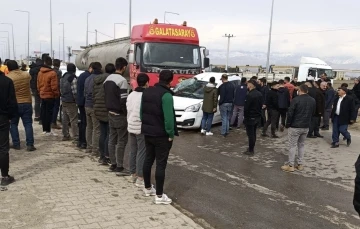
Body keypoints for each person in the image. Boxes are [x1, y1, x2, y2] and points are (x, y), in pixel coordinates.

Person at [141, 69, 178, 205]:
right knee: (161, 164)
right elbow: (169, 119)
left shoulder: (147, 91)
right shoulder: (167, 95)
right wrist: (170, 133)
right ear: (171, 80)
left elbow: (141, 112)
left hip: (148, 132)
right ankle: (159, 195)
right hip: (161, 135)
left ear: (158, 78)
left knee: (148, 159)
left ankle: (147, 188)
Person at [104, 58, 130, 176]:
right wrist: (125, 113)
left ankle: (113, 164)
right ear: (124, 67)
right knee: (121, 141)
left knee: (111, 139)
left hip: (110, 113)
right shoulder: (122, 81)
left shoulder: (107, 79)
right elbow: (123, 100)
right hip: (120, 115)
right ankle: (120, 166)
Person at [281, 84, 315, 172]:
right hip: (306, 126)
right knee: (301, 145)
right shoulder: (312, 100)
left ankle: (290, 165)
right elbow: (313, 113)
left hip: (295, 126)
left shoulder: (295, 100)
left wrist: (287, 124)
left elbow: (290, 113)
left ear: (299, 90)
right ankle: (300, 164)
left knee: (292, 145)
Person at [7, 61, 36, 152]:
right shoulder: (26, 75)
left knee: (13, 124)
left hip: (15, 104)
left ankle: (16, 144)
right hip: (27, 102)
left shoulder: (8, 77)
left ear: (8, 68)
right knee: (28, 124)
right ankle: (30, 144)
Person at [127, 73, 149, 187]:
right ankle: (140, 178)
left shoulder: (131, 94)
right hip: (140, 127)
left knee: (133, 150)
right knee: (142, 152)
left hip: (131, 125)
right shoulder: (145, 95)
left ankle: (132, 174)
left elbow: (128, 109)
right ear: (147, 83)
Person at [93, 63, 115, 165]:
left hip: (97, 108)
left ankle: (102, 155)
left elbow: (93, 94)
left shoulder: (96, 79)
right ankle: (107, 156)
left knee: (102, 133)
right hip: (107, 109)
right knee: (109, 134)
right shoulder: (111, 80)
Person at [0, 70, 18, 185]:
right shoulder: (7, 81)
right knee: (3, 148)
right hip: (2, 117)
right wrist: (11, 116)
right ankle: (5, 176)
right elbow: (12, 102)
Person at [37, 56, 59, 136]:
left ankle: (45, 129)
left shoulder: (40, 72)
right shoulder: (52, 73)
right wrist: (56, 94)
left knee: (43, 112)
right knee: (49, 113)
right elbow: (54, 86)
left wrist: (40, 92)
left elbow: (38, 84)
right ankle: (49, 130)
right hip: (50, 96)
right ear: (51, 63)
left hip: (42, 95)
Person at [84, 62, 102, 155]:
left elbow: (85, 92)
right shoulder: (98, 79)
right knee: (96, 128)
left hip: (87, 104)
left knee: (89, 127)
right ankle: (95, 149)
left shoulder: (87, 78)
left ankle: (88, 147)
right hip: (94, 105)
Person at [243, 80, 263, 156]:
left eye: (248, 85)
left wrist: (245, 117)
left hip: (250, 117)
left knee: (250, 134)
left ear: (250, 85)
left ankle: (251, 150)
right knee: (254, 133)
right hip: (257, 116)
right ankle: (251, 148)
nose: (247, 86)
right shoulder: (259, 94)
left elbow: (246, 108)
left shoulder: (250, 95)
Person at [60, 63, 78, 142]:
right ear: (74, 70)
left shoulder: (62, 78)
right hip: (71, 101)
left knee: (65, 119)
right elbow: (75, 92)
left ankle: (65, 135)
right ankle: (76, 137)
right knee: (73, 119)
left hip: (64, 100)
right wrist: (76, 100)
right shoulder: (73, 78)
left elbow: (60, 89)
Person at [76, 63, 93, 149]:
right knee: (85, 123)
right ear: (90, 68)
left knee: (82, 122)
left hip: (79, 101)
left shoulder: (81, 75)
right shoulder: (89, 77)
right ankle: (84, 141)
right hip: (85, 102)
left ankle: (80, 141)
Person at [51, 59, 62, 130]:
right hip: (56, 92)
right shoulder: (58, 72)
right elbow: (59, 83)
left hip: (49, 92)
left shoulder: (50, 71)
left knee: (51, 107)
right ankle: (53, 122)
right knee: (56, 107)